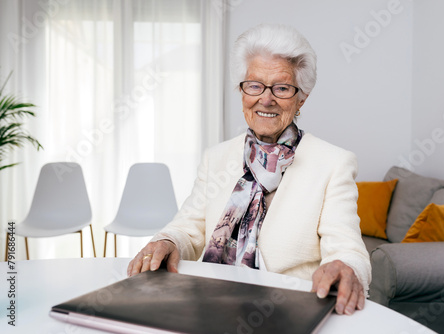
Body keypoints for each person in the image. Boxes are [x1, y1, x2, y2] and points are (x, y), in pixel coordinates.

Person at [128, 23, 371, 316]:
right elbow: (188, 227)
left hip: (284, 312)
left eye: (281, 88)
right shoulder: (216, 157)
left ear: (301, 98)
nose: (265, 99)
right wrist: (168, 240)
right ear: (242, 91)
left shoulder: (333, 163)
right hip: (209, 304)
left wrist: (346, 268)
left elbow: (348, 250)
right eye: (254, 85)